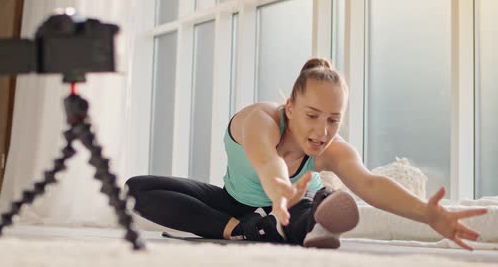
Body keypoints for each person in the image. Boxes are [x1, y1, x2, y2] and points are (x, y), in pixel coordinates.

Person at [125, 58, 488, 249]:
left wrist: (428, 214)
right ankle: (247, 229)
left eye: (334, 120)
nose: (322, 131)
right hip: (236, 201)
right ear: (291, 107)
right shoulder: (260, 120)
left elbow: (370, 184)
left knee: (310, 205)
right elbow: (266, 160)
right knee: (138, 189)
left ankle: (311, 219)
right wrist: (280, 187)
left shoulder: (333, 148)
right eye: (313, 116)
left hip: (291, 203)